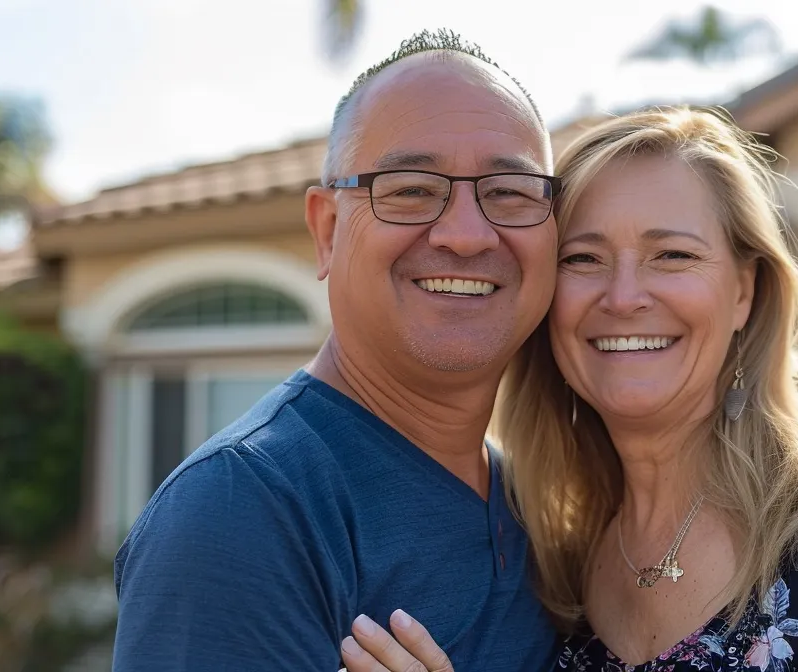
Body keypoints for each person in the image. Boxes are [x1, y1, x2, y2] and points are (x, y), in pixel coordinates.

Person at [339, 108, 798, 671]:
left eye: (673, 255)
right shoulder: (551, 567)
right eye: (583, 259)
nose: (625, 296)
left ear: (744, 291)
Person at [110, 30, 560, 671]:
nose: (465, 235)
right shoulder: (244, 512)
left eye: (510, 193)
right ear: (327, 230)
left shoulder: (537, 508)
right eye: (410, 188)